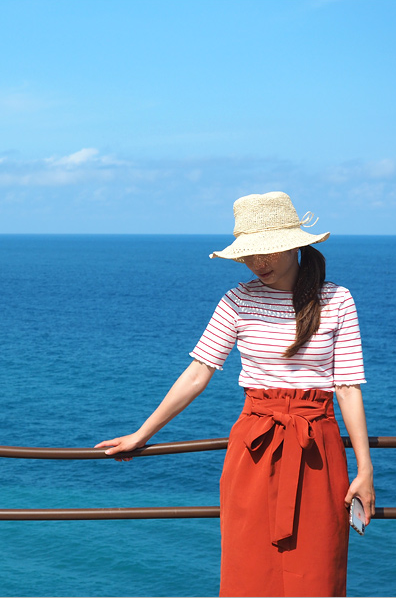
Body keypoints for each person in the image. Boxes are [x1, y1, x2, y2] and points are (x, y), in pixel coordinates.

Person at [96, 191, 375, 597]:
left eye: (267, 253)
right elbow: (198, 372)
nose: (257, 264)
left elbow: (348, 387)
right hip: (254, 450)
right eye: (249, 255)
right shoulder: (238, 300)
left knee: (317, 573)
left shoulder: (337, 300)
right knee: (249, 572)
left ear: (293, 245)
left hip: (318, 449)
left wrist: (364, 468)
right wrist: (143, 434)